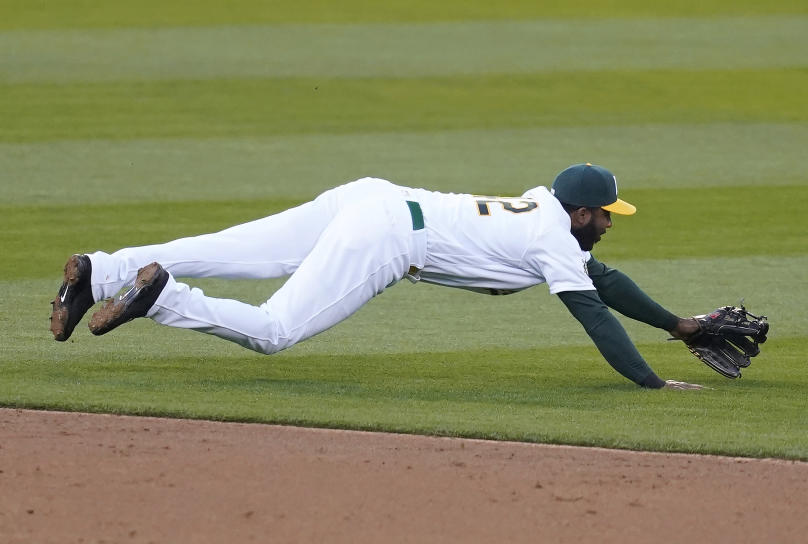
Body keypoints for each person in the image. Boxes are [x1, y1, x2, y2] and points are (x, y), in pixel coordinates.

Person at [51, 163, 706, 390]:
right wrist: (651, 382)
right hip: (386, 236)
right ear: (582, 212)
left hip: (374, 198)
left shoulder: (544, 207)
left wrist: (682, 326)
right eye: (607, 216)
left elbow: (606, 284)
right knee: (276, 330)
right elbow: (595, 314)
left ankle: (99, 271)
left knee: (235, 248)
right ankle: (164, 298)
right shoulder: (553, 240)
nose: (611, 225)